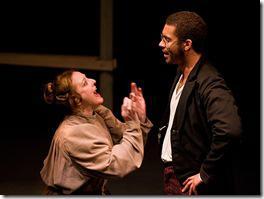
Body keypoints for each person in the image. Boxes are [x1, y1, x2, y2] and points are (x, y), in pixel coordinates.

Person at [158, 11, 241, 195]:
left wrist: (204, 174)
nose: (161, 44)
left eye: (167, 39)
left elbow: (229, 129)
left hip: (191, 185)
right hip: (175, 176)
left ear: (187, 44)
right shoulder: (182, 73)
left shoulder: (209, 81)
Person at [40, 70, 153, 195]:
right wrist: (132, 123)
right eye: (85, 83)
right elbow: (117, 164)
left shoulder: (96, 115)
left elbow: (127, 141)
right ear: (76, 100)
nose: (93, 81)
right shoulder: (73, 133)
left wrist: (140, 119)